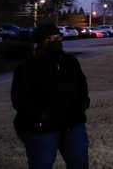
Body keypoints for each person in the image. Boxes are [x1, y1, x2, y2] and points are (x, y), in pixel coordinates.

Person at [11, 23, 90, 169]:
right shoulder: (27, 68)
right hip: (42, 129)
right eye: (50, 39)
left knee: (79, 163)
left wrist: (81, 107)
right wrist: (40, 117)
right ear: (40, 42)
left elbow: (82, 87)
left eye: (57, 37)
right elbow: (20, 99)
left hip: (72, 125)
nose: (56, 41)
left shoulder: (70, 62)